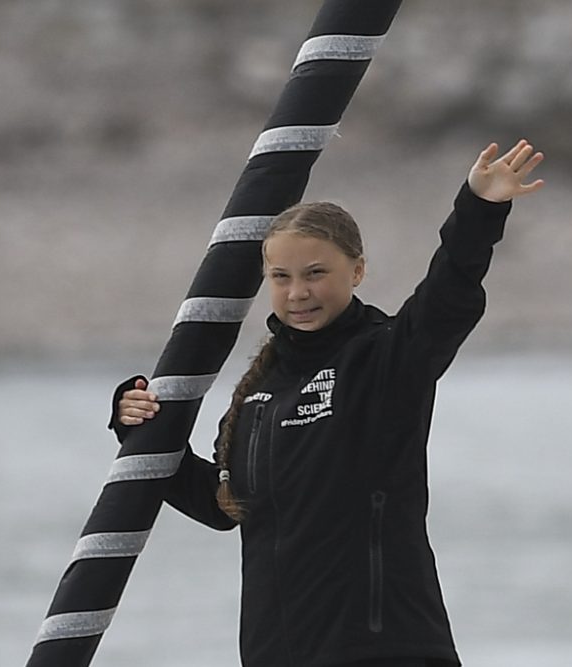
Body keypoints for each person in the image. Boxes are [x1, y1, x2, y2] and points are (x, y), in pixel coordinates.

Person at [108, 140, 545, 667]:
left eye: (316, 273)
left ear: (356, 271)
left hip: (389, 650)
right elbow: (221, 507)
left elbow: (448, 295)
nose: (298, 293)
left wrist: (479, 207)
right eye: (281, 277)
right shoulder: (257, 393)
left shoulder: (386, 359)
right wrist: (139, 429)